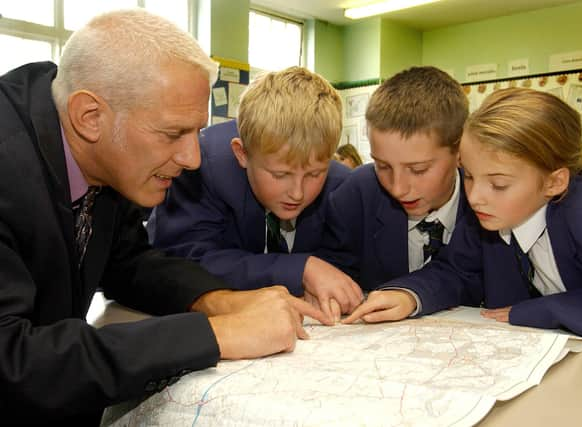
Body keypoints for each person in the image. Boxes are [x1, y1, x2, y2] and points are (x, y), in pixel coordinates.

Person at [0, 10, 331, 426]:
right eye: (173, 133)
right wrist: (216, 335)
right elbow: (11, 358)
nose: (192, 159)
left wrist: (220, 302)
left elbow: (128, 262)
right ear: (90, 116)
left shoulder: (98, 149)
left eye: (196, 132)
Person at [346, 88, 582, 342]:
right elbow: (455, 271)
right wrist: (409, 295)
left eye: (499, 184)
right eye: (470, 176)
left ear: (554, 182)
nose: (474, 198)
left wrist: (547, 309)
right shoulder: (488, 216)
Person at [147, 66, 363, 322]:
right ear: (242, 154)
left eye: (314, 174)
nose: (297, 193)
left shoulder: (341, 185)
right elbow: (185, 261)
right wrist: (300, 269)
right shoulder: (199, 166)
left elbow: (348, 261)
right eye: (280, 175)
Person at [304, 66, 470, 322]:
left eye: (418, 169)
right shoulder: (357, 194)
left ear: (461, 150)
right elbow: (333, 270)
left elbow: (470, 273)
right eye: (383, 166)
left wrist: (411, 294)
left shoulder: (485, 202)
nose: (398, 187)